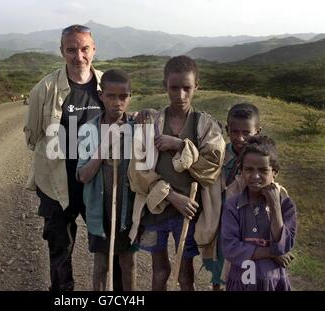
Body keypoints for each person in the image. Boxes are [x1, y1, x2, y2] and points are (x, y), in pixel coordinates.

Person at [24, 24, 139, 291]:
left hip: (99, 181)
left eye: (84, 49)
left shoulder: (106, 84)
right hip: (56, 182)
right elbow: (32, 135)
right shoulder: (45, 89)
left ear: (94, 50)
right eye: (72, 50)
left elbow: (122, 118)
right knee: (60, 248)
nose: (79, 56)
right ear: (62, 51)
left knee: (111, 245)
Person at [128, 56, 225, 291]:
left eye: (186, 88)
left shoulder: (206, 126)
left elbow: (212, 167)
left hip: (189, 213)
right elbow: (138, 170)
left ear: (196, 87)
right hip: (156, 209)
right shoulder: (150, 123)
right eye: (174, 88)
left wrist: (181, 145)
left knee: (185, 274)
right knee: (159, 271)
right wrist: (170, 195)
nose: (180, 95)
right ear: (165, 86)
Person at [77, 69, 137, 291]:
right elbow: (83, 175)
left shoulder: (136, 129)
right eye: (111, 96)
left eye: (123, 97)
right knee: (101, 264)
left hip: (127, 212)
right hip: (99, 211)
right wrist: (104, 146)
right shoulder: (88, 130)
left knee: (128, 263)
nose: (117, 103)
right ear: (101, 95)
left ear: (130, 97)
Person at [221, 136, 296, 291]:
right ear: (241, 171)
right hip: (240, 283)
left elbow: (284, 246)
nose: (255, 176)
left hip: (273, 283)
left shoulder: (285, 206)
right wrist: (271, 253)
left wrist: (275, 207)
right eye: (249, 169)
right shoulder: (232, 205)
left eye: (263, 170)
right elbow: (230, 248)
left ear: (274, 172)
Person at [203, 102, 261, 291]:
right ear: (227, 130)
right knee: (218, 270)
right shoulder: (220, 154)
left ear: (257, 131)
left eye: (247, 133)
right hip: (222, 224)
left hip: (249, 228)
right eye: (235, 132)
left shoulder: (260, 158)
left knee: (246, 274)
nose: (240, 138)